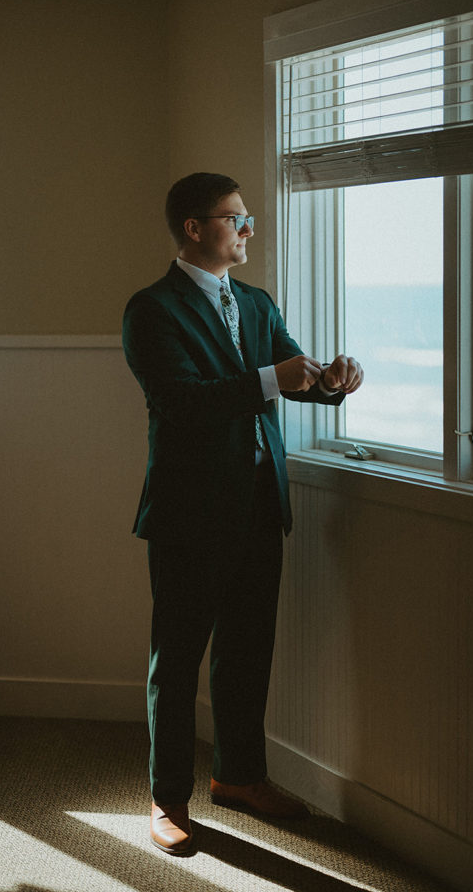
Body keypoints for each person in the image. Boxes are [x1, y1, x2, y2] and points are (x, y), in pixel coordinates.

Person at [122, 172, 363, 855]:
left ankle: (240, 777)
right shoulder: (151, 310)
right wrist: (269, 380)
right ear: (196, 229)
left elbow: (298, 374)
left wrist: (333, 380)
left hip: (260, 507)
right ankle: (167, 800)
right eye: (237, 219)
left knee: (248, 650)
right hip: (187, 515)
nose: (249, 230)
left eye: (247, 218)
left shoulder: (255, 303)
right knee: (177, 663)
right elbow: (183, 402)